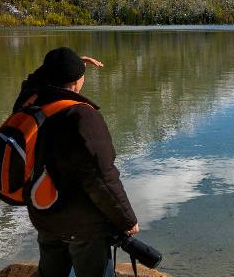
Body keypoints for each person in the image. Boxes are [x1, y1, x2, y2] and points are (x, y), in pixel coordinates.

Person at [13, 47, 139, 277]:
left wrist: (64, 65)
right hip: (83, 226)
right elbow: (101, 176)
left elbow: (30, 82)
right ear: (78, 80)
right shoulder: (82, 116)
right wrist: (126, 219)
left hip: (45, 214)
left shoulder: (29, 102)